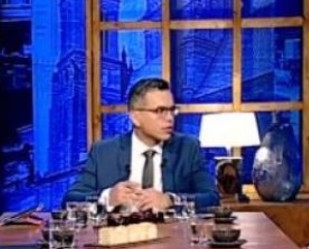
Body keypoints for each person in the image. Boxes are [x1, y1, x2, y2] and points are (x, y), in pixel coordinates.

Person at [63, 77, 219, 211]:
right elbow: (70, 200)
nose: (170, 118)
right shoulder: (103, 152)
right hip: (119, 234)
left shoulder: (188, 148)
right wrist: (108, 197)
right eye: (160, 111)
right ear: (135, 117)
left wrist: (170, 200)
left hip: (170, 234)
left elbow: (211, 198)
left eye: (172, 110)